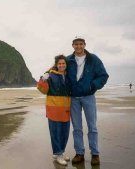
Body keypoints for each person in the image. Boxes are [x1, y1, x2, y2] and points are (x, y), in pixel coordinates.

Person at [67, 36, 109, 165]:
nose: (78, 46)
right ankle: (79, 153)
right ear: (72, 45)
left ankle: (95, 154)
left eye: (81, 44)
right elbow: (58, 69)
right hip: (73, 98)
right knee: (77, 128)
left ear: (85, 45)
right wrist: (46, 76)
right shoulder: (68, 60)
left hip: (88, 97)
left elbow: (103, 75)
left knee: (92, 126)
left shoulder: (93, 59)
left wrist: (92, 86)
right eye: (76, 44)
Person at [37, 55, 71, 166]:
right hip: (54, 108)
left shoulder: (68, 75)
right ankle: (58, 153)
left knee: (65, 133)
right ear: (56, 65)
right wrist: (43, 80)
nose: (61, 65)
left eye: (63, 63)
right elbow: (43, 90)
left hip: (66, 108)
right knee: (56, 132)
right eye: (59, 63)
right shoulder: (51, 75)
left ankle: (59, 153)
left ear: (66, 65)